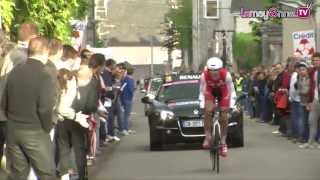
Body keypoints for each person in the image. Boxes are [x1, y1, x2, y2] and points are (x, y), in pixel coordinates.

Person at [2, 37, 56, 179]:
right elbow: (45, 108)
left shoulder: (15, 71)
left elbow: (4, 101)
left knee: (18, 175)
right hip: (35, 131)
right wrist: (47, 127)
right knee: (46, 173)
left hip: (13, 129)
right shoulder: (45, 75)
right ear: (46, 51)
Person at [199, 57, 236, 157]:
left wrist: (231, 106)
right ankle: (207, 137)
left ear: (220, 69)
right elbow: (201, 92)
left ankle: (223, 142)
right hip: (210, 92)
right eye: (211, 70)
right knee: (208, 111)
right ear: (208, 69)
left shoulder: (226, 75)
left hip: (223, 93)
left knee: (224, 116)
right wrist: (202, 105)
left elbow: (232, 91)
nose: (214, 72)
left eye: (216, 70)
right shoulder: (204, 75)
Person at [300, 53, 320, 148]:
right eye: (314, 60)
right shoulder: (312, 71)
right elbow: (310, 87)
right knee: (311, 120)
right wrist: (309, 101)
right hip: (314, 99)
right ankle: (311, 142)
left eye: (317, 60)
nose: (315, 62)